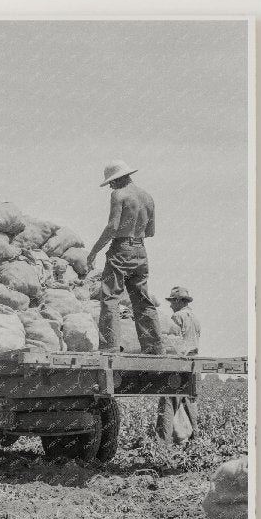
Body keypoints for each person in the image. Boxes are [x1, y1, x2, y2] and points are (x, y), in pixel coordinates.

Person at [85, 160, 162, 354]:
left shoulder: (118, 194)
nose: (110, 185)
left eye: (111, 182)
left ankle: (110, 347)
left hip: (121, 250)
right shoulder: (148, 197)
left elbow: (112, 227)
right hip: (141, 251)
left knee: (110, 297)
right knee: (143, 300)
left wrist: (94, 250)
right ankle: (154, 348)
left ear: (119, 179)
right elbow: (151, 231)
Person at [157, 284, 202, 445]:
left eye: (172, 301)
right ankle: (195, 442)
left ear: (178, 300)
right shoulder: (195, 318)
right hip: (193, 364)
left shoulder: (177, 317)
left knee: (168, 403)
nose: (170, 305)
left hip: (178, 365)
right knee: (190, 403)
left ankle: (162, 445)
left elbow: (173, 343)